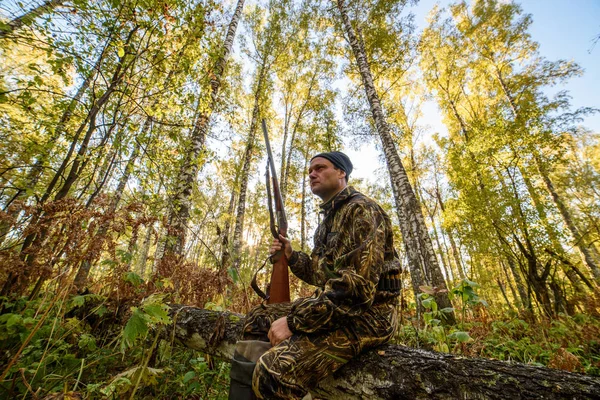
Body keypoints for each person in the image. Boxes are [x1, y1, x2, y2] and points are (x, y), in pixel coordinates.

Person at [229, 151, 401, 400]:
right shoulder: (328, 221)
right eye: (310, 170)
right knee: (257, 319)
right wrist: (291, 256)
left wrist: (294, 322)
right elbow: (321, 274)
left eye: (320, 168)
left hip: (372, 315)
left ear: (341, 173)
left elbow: (355, 290)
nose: (312, 174)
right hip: (341, 309)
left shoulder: (361, 210)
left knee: (274, 372)